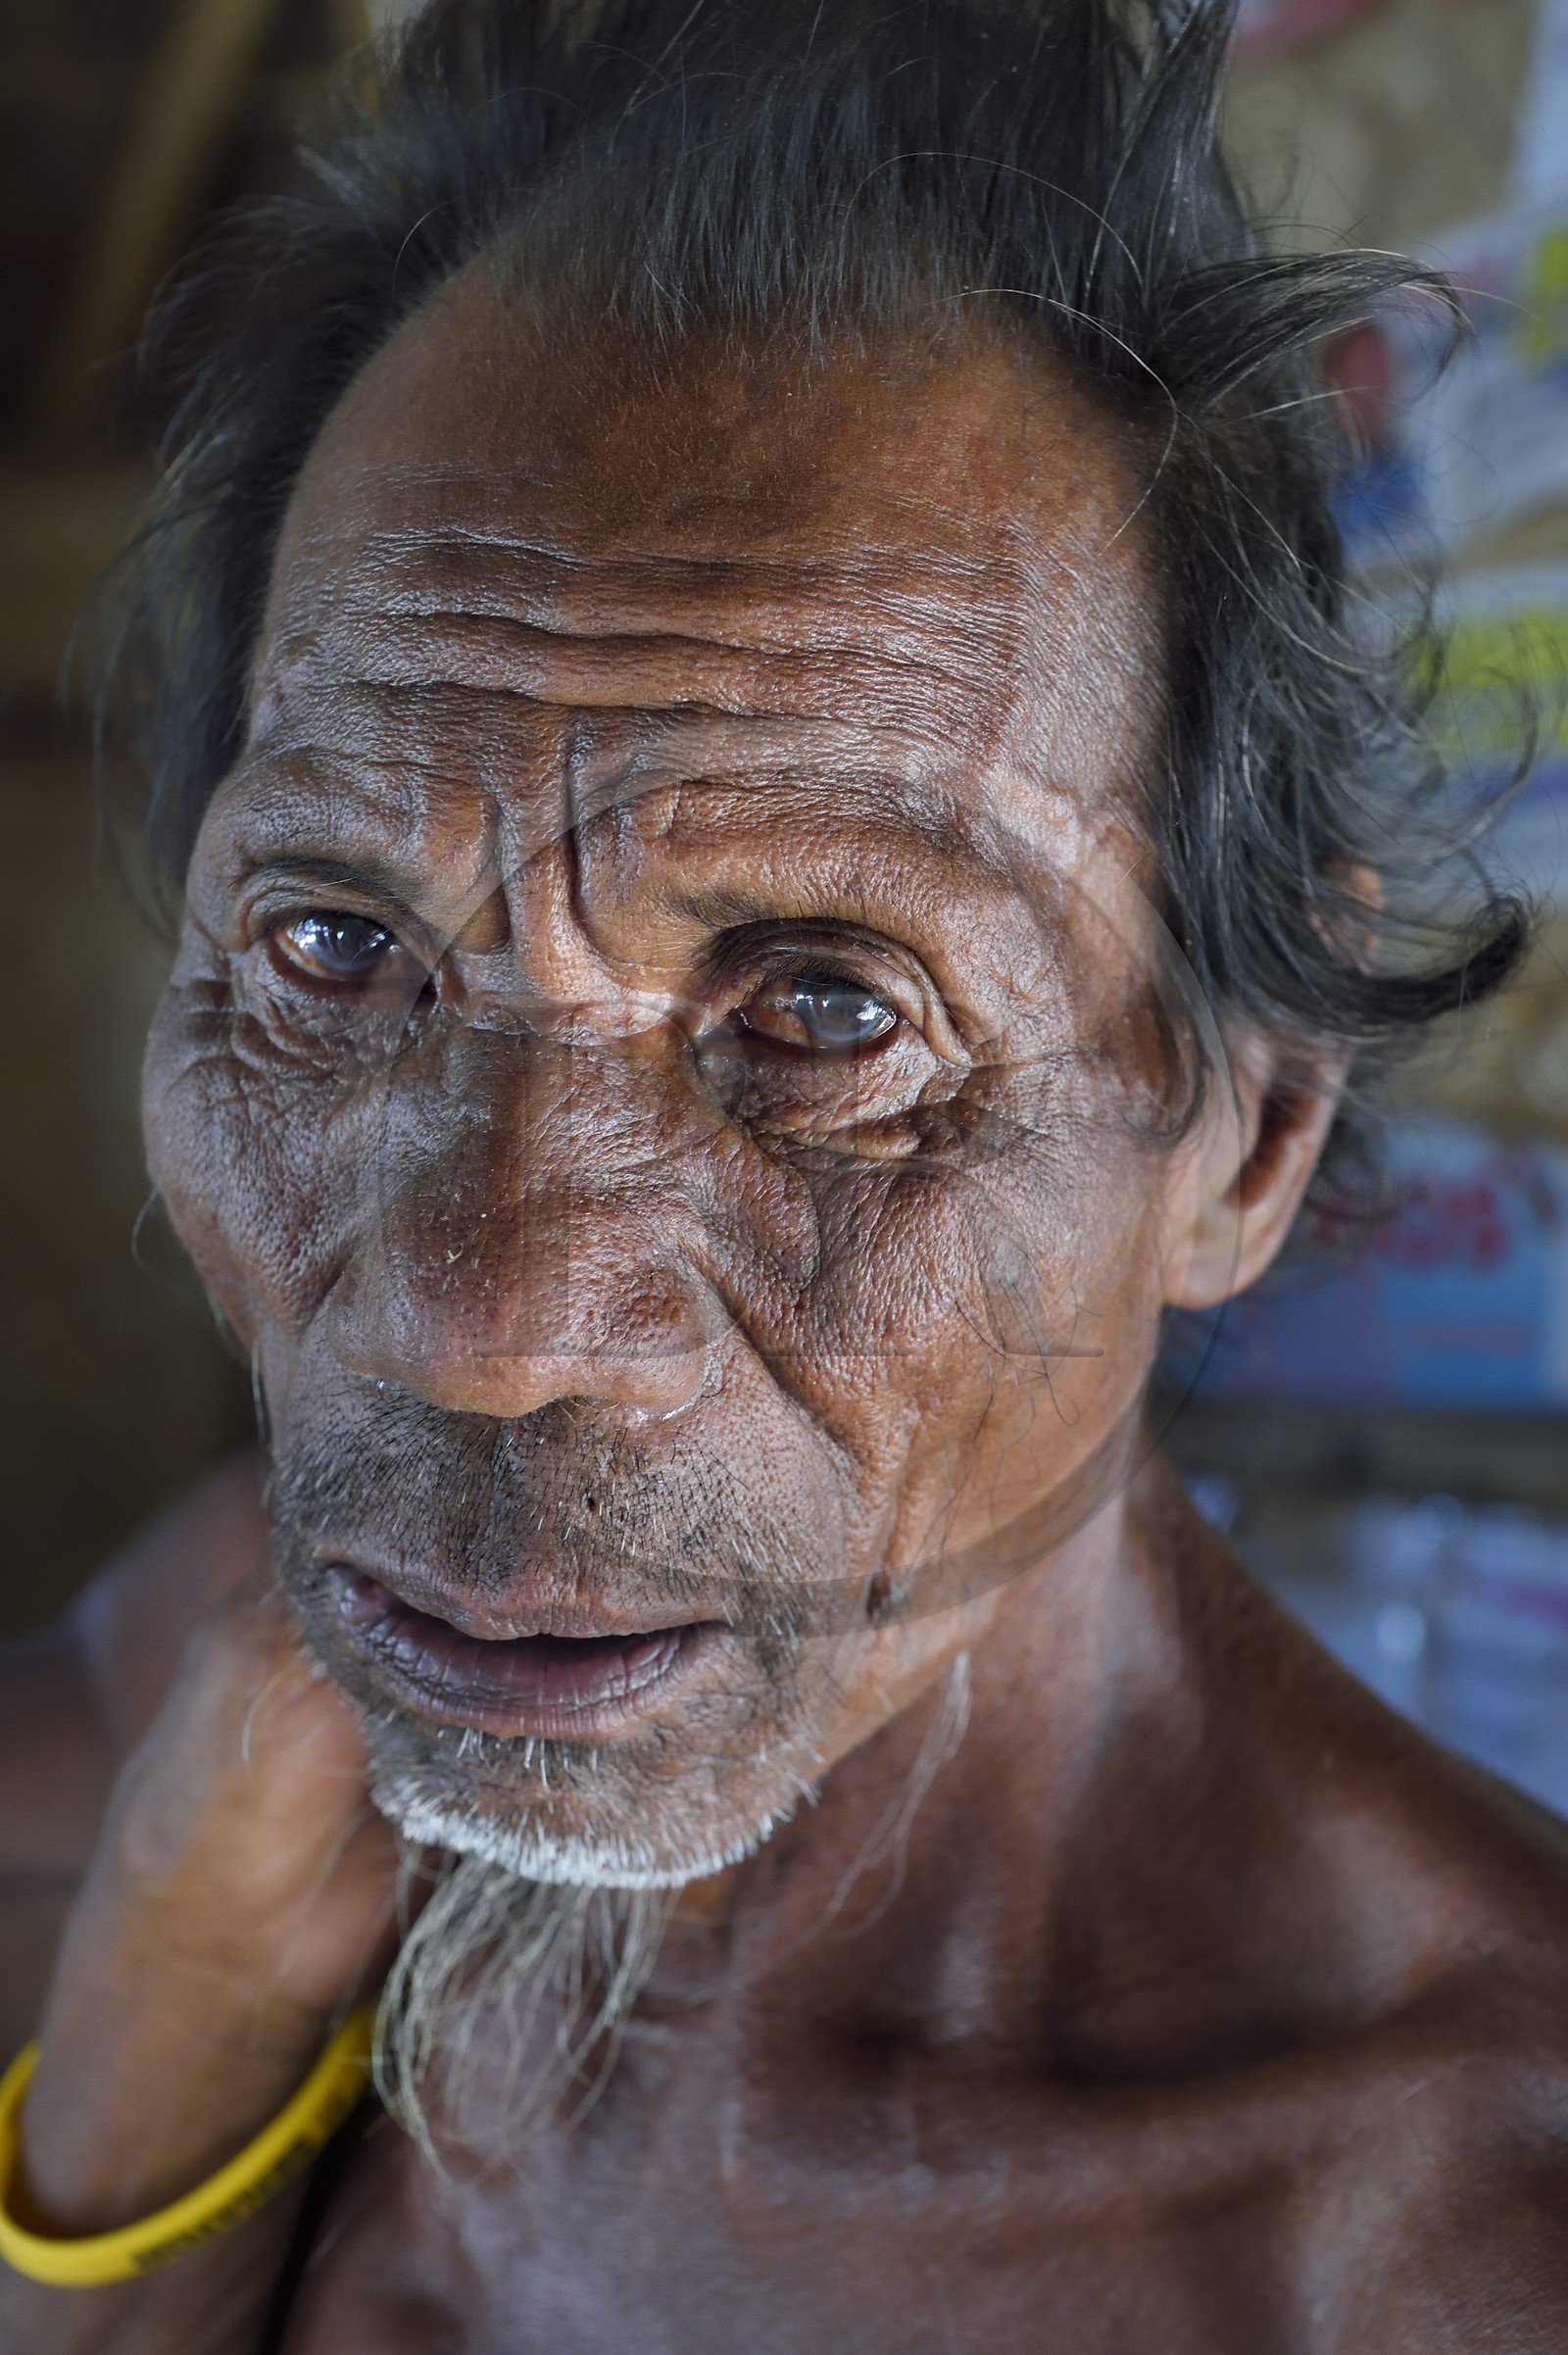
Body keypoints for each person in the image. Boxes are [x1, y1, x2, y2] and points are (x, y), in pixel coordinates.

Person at [3, 2, 1565, 2346]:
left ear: (1243, 1126)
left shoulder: (1437, 2232)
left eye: (827, 1014)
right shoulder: (242, 1684)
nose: (476, 1323)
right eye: (335, 946)